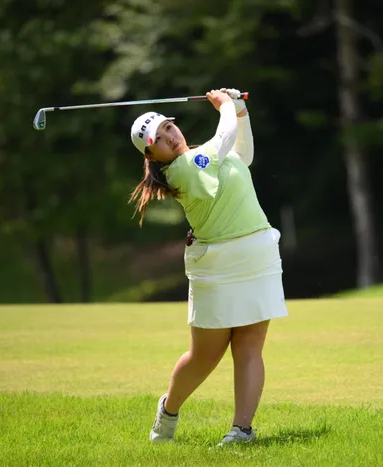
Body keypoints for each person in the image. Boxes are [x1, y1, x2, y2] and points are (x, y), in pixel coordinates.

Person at [128, 88, 289, 447]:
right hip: (217, 265)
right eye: (160, 139)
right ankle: (168, 410)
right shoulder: (183, 169)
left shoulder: (205, 155)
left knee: (249, 346)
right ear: (152, 155)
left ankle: (241, 430)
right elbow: (224, 136)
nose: (171, 136)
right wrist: (226, 106)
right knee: (205, 356)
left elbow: (241, 155)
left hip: (257, 255)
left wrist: (241, 111)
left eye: (169, 127)